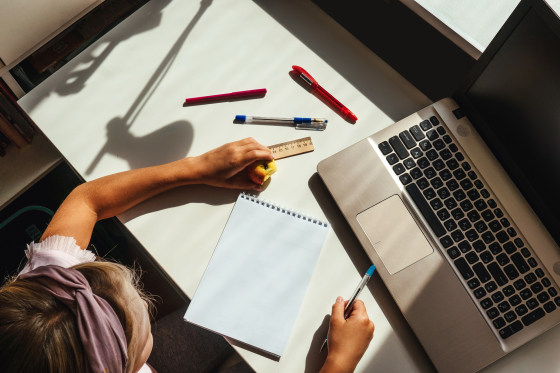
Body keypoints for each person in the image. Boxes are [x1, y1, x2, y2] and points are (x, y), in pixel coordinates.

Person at [0, 138, 374, 373]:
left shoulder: (48, 288)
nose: (144, 302)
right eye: (142, 312)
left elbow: (86, 199)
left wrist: (196, 168)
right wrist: (340, 363)